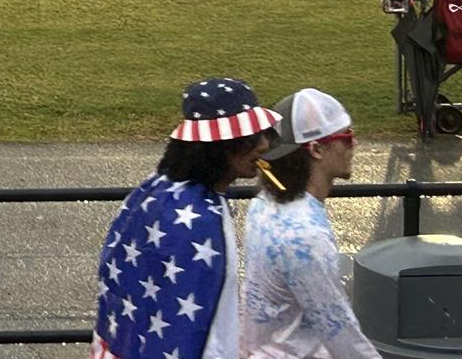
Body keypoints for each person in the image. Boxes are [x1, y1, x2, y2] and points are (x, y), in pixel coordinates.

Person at [93, 79, 281, 359]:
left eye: (265, 134)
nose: (264, 145)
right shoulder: (204, 221)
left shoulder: (153, 189)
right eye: (250, 139)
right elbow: (206, 331)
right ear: (218, 146)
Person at [241, 89, 376, 359]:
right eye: (346, 137)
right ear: (315, 149)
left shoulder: (264, 202)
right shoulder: (304, 235)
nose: (355, 144)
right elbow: (339, 330)